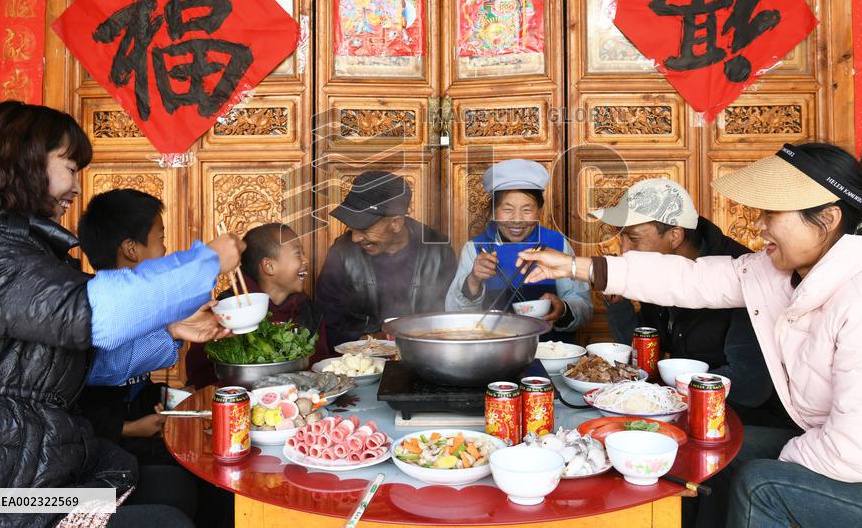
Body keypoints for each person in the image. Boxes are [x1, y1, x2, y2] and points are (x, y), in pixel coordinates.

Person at [518, 142, 862, 528]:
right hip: (857, 456)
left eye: (772, 214)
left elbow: (857, 453)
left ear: (827, 219)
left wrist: (768, 462)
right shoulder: (782, 273)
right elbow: (691, 281)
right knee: (710, 448)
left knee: (758, 481)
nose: (760, 227)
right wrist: (578, 267)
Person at [0, 101, 245, 527]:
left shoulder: (19, 249)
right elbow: (95, 310)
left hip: (31, 467)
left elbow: (81, 364)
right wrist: (204, 263)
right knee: (166, 521)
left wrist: (170, 330)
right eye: (70, 167)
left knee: (175, 486)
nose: (76, 185)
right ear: (26, 161)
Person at [76, 189, 235, 527]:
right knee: (202, 473)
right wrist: (129, 427)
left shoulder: (109, 310)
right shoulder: (98, 309)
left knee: (204, 467)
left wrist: (175, 330)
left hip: (116, 437)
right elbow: (96, 378)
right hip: (72, 466)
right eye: (160, 239)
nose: (165, 250)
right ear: (131, 249)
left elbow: (110, 366)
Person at [597, 178, 788, 430]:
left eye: (633, 238)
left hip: (748, 422)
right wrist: (618, 305)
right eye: (621, 238)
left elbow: (749, 384)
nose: (624, 250)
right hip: (685, 409)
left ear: (675, 236)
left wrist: (666, 394)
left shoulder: (742, 273)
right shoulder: (654, 271)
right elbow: (645, 352)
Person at [446, 159, 592, 342]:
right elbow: (454, 316)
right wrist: (474, 279)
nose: (517, 219)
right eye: (507, 209)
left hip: (549, 353)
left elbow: (584, 307)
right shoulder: (476, 248)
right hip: (493, 352)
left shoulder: (556, 244)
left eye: (527, 209)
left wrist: (562, 308)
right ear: (493, 211)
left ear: (539, 210)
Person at [316, 171, 457, 348]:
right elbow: (328, 321)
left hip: (424, 357)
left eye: (364, 227)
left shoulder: (438, 251)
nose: (355, 238)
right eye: (352, 227)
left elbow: (452, 319)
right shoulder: (342, 252)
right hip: (360, 363)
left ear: (395, 223)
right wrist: (370, 342)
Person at [185, 222, 331, 389]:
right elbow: (200, 376)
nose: (306, 260)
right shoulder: (224, 311)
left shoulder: (309, 311)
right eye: (298, 253)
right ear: (269, 266)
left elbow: (320, 367)